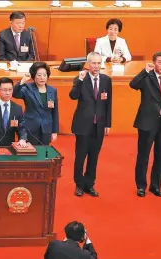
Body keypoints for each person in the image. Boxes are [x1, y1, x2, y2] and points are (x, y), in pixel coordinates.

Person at [129, 52, 161, 197]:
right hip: (147, 122)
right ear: (154, 63)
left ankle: (155, 185)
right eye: (159, 62)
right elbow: (133, 84)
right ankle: (141, 186)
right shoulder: (147, 77)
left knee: (160, 156)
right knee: (143, 155)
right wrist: (144, 71)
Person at [69, 52, 112, 197]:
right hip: (83, 125)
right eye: (93, 63)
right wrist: (80, 81)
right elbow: (73, 96)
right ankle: (79, 184)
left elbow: (108, 104)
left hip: (98, 125)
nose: (96, 66)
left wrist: (107, 124)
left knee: (94, 157)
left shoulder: (106, 80)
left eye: (99, 63)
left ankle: (89, 184)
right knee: (80, 156)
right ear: (88, 64)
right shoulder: (81, 78)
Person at [13, 61, 59, 145]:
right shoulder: (27, 88)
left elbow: (55, 112)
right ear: (33, 76)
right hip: (31, 127)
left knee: (44, 154)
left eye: (45, 75)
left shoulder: (52, 90)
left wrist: (54, 131)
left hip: (46, 128)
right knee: (30, 154)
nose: (42, 78)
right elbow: (15, 94)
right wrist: (22, 82)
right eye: (39, 75)